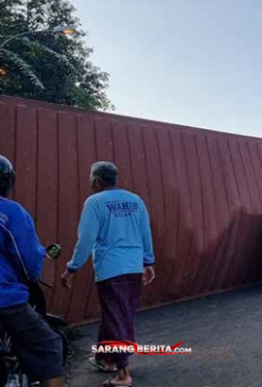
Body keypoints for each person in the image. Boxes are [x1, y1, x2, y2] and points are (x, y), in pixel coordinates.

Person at [61, 162, 155, 387]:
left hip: (111, 270)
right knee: (116, 313)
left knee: (116, 316)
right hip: (133, 268)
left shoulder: (94, 203)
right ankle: (106, 359)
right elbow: (145, 232)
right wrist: (148, 261)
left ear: (96, 181)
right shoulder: (135, 200)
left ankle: (123, 373)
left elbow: (86, 240)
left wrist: (72, 267)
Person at [0, 155, 64, 387]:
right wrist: (33, 275)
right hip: (5, 299)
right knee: (49, 346)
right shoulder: (10, 212)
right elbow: (27, 257)